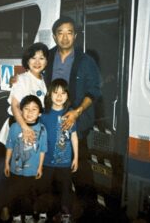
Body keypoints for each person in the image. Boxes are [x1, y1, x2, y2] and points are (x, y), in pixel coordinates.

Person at [44, 16, 101, 189]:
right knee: (53, 169)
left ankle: (87, 210)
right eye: (60, 33)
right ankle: (56, 210)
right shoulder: (48, 57)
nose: (65, 37)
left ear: (75, 36)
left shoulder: (86, 61)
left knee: (81, 170)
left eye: (69, 33)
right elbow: (33, 70)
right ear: (54, 36)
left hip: (77, 122)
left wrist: (77, 112)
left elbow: (94, 90)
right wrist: (17, 78)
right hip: (51, 121)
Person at [37, 78, 78, 223]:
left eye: (63, 93)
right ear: (49, 95)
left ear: (67, 96)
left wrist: (76, 158)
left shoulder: (70, 115)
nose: (59, 96)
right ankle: (42, 213)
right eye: (55, 93)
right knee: (44, 188)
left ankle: (66, 214)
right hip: (47, 161)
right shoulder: (44, 116)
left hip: (65, 162)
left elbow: (74, 137)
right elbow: (39, 138)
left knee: (65, 190)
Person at [4, 95, 47, 223]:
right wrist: (6, 163)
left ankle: (28, 216)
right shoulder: (15, 127)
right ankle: (16, 216)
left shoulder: (42, 129)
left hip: (32, 170)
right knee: (16, 193)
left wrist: (40, 167)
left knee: (29, 194)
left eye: (34, 109)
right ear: (21, 111)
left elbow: (43, 149)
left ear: (39, 113)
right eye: (26, 109)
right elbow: (10, 146)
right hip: (15, 169)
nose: (29, 112)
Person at [0, 42, 49, 145]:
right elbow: (15, 106)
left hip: (33, 126)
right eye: (33, 58)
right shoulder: (21, 79)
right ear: (27, 61)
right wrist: (25, 128)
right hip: (20, 126)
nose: (37, 62)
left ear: (46, 62)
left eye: (41, 58)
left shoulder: (44, 81)